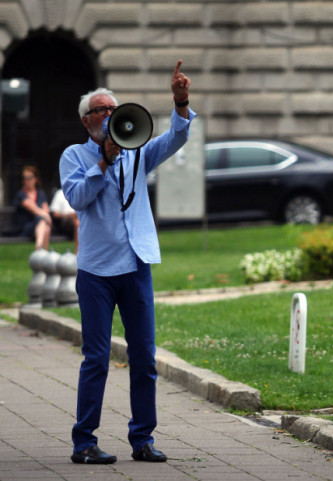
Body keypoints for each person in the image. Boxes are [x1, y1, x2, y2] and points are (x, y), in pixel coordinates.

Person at [59, 60, 195, 465]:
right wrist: (103, 162)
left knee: (144, 357)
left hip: (136, 266)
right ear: (87, 120)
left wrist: (181, 101)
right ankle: (84, 442)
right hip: (96, 271)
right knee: (97, 358)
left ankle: (143, 439)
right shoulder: (73, 156)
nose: (109, 115)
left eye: (113, 109)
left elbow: (175, 138)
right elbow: (77, 198)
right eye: (102, 110)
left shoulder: (137, 154)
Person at [13, 165, 52, 250]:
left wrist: (45, 215)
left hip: (39, 226)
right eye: (24, 178)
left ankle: (40, 252)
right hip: (26, 227)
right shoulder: (21, 194)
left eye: (29, 178)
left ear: (35, 179)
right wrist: (46, 216)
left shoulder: (41, 193)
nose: (27, 181)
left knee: (46, 227)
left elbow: (46, 209)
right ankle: (40, 248)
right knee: (43, 220)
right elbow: (33, 209)